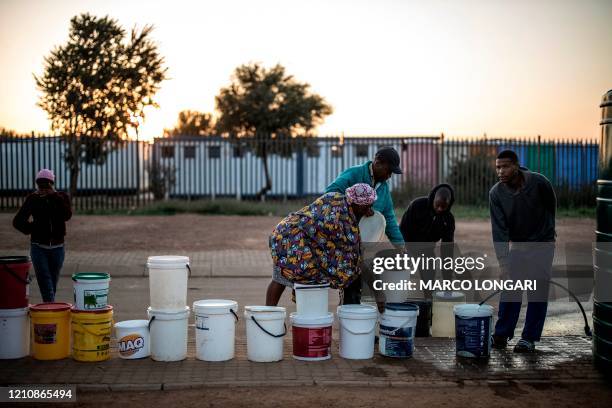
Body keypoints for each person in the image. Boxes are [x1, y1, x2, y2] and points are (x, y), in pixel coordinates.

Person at [265, 183, 376, 306]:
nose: (369, 209)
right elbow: (349, 259)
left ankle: (268, 316)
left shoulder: (335, 196)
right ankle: (270, 316)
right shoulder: (342, 221)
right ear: (358, 205)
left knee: (280, 279)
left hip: (286, 230)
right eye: (367, 206)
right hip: (293, 241)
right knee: (295, 277)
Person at [489, 150, 556, 353]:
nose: (501, 171)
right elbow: (499, 231)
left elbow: (551, 207)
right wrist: (503, 263)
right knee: (511, 288)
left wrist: (546, 236)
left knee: (537, 291)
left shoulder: (539, 182)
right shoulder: (496, 194)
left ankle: (529, 338)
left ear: (517, 166)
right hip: (517, 245)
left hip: (542, 245)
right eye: (498, 167)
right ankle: (502, 334)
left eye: (506, 166)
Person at [325, 146, 404, 305]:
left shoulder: (383, 188)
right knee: (353, 272)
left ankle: (352, 307)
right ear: (378, 162)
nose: (389, 176)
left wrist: (400, 246)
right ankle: (350, 307)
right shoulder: (355, 174)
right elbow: (330, 194)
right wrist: (356, 205)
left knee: (357, 276)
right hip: (343, 235)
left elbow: (388, 218)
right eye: (388, 171)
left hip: (361, 240)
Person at [13, 169, 72, 302]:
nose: (44, 189)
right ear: (37, 185)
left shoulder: (61, 197)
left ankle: (49, 308)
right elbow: (17, 221)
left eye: (47, 186)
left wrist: (55, 196)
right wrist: (32, 228)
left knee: (52, 282)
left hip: (58, 248)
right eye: (41, 186)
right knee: (45, 281)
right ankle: (51, 310)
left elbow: (67, 215)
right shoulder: (33, 199)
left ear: (52, 184)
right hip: (38, 248)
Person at [399, 184, 455, 298]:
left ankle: (429, 306)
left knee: (429, 283)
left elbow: (447, 252)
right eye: (437, 205)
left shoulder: (448, 220)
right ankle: (396, 301)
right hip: (408, 246)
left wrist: (447, 284)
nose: (440, 209)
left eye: (443, 207)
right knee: (399, 278)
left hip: (427, 251)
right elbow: (402, 229)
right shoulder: (417, 205)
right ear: (433, 198)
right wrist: (403, 250)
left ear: (449, 205)